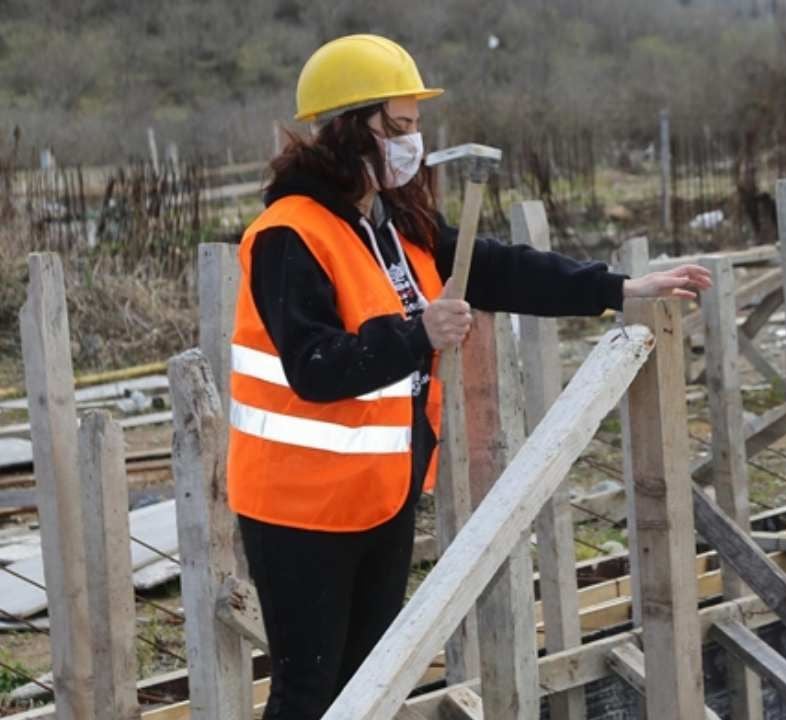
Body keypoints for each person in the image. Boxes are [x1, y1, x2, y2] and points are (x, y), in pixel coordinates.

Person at [225, 34, 711, 720]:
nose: (411, 143)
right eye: (397, 127)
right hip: (298, 508)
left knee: (369, 685)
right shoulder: (288, 234)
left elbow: (500, 268)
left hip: (381, 496)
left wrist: (621, 286)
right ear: (345, 131)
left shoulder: (393, 224)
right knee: (309, 695)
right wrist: (416, 334)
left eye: (415, 127)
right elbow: (313, 367)